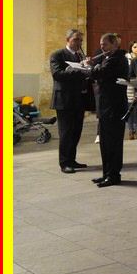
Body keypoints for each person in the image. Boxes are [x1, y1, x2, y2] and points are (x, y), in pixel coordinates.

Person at [84, 33, 128, 187]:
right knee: (104, 142)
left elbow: (100, 73)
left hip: (114, 108)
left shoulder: (118, 59)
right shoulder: (107, 58)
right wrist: (93, 68)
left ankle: (114, 175)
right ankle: (106, 173)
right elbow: (97, 73)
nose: (101, 47)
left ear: (115, 44)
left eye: (105, 44)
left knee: (113, 143)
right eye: (101, 44)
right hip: (105, 107)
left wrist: (90, 67)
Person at [49, 29, 90, 173]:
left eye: (80, 40)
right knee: (66, 133)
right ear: (68, 40)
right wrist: (76, 69)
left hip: (78, 99)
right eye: (76, 40)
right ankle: (64, 163)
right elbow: (57, 74)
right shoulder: (58, 55)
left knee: (76, 132)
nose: (78, 43)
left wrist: (88, 68)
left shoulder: (80, 56)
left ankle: (72, 160)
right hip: (64, 100)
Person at [125, 40, 137, 140]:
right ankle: (130, 130)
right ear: (131, 48)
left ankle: (136, 130)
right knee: (129, 108)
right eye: (134, 47)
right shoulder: (127, 58)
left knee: (136, 110)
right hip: (129, 86)